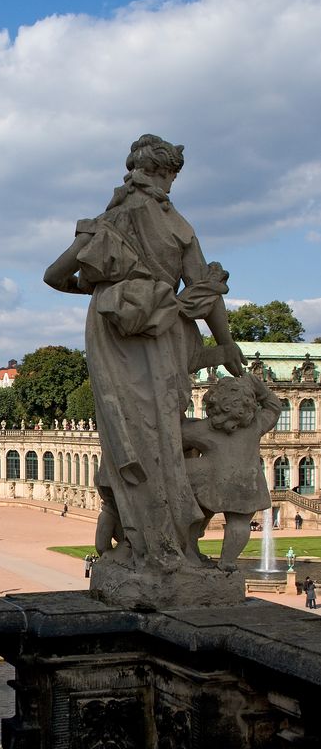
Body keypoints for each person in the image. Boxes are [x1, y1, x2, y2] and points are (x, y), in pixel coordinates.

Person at [44, 134, 246, 577]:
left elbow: (53, 276)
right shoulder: (180, 226)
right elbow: (205, 290)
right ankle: (174, 545)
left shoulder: (108, 220)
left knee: (127, 437)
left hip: (112, 334)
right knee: (163, 438)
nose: (172, 182)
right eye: (172, 174)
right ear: (165, 171)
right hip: (167, 330)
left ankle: (142, 548)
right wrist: (225, 342)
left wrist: (96, 290)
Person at [181, 375, 281, 571]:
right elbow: (274, 407)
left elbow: (176, 438)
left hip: (210, 482)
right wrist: (261, 389)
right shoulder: (255, 426)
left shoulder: (203, 429)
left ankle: (190, 550)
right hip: (247, 484)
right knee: (240, 522)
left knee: (198, 514)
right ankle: (227, 561)